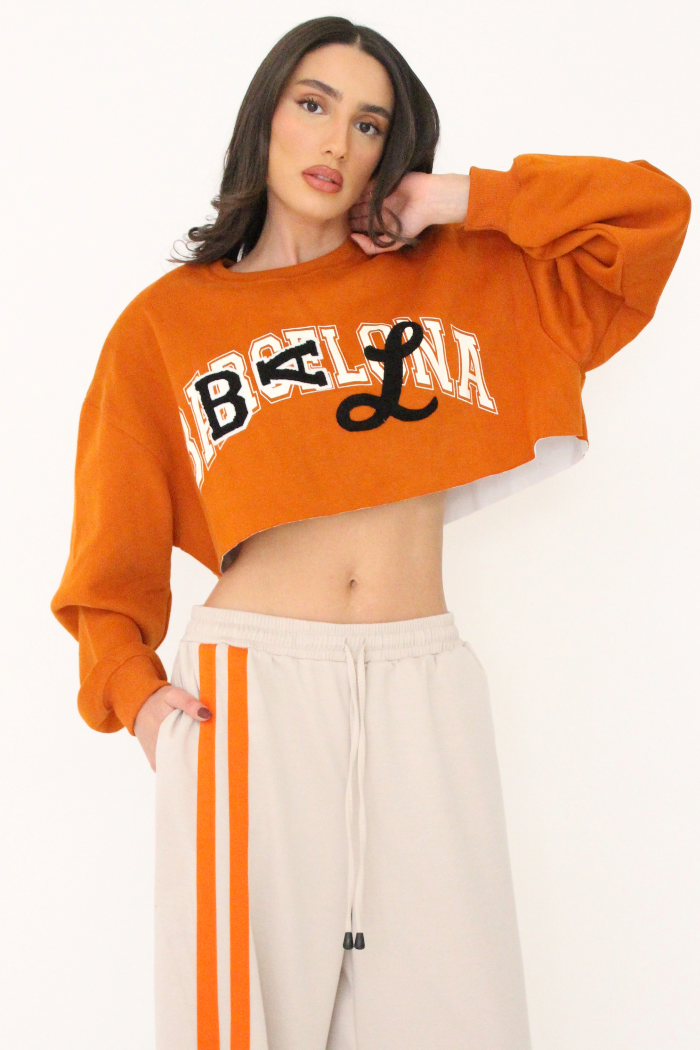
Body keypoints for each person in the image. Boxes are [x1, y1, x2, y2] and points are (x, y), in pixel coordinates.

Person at [51, 15, 691, 1050]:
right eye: (313, 104)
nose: (335, 141)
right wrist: (140, 703)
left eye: (368, 123)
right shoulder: (164, 325)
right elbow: (107, 562)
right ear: (265, 117)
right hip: (248, 695)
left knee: (463, 1023)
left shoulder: (461, 280)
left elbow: (649, 217)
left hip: (422, 683)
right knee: (238, 1029)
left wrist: (454, 199)